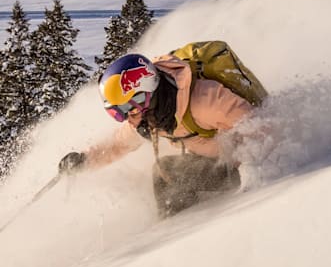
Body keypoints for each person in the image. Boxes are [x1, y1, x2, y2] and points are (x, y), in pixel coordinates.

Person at [59, 49, 264, 217]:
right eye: (116, 113)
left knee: (166, 172)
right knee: (166, 171)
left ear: (144, 96)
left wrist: (253, 176)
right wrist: (84, 160)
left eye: (125, 109)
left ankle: (185, 231)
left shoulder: (206, 101)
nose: (126, 119)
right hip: (215, 160)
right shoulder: (149, 116)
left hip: (245, 167)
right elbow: (118, 144)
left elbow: (260, 128)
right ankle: (174, 231)